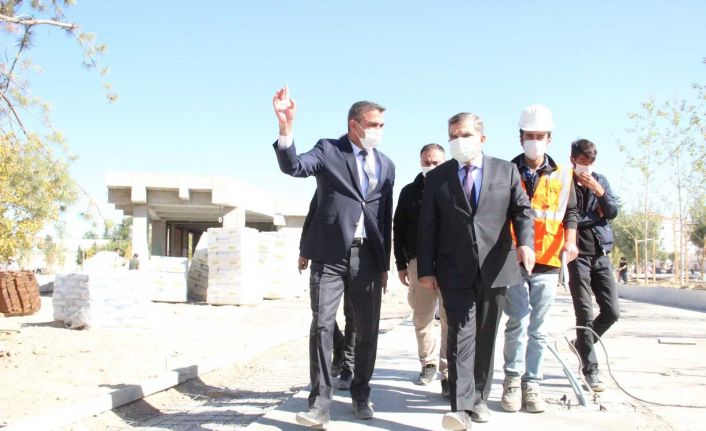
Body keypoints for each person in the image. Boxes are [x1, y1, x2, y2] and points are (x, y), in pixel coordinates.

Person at [272, 86, 395, 427]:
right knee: (323, 325)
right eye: (373, 124)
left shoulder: (386, 164)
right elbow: (294, 167)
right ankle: (319, 405)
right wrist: (285, 127)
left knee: (367, 329)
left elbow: (384, 215)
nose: (378, 131)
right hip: (329, 257)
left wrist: (384, 264)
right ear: (354, 124)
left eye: (382, 125)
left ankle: (361, 393)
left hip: (368, 258)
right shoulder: (329, 150)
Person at [417, 112, 535, 430]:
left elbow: (522, 211)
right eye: (453, 135)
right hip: (453, 270)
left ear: (482, 138)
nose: (459, 140)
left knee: (485, 336)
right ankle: (462, 408)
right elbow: (427, 226)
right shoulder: (438, 177)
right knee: (460, 336)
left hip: (496, 268)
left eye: (465, 134)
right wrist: (426, 269)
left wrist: (526, 243)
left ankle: (480, 397)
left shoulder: (506, 170)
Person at [501, 104, 579, 414]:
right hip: (513, 258)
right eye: (529, 135)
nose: (534, 141)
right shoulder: (506, 171)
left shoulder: (563, 175)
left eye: (540, 136)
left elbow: (571, 212)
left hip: (548, 260)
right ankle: (511, 381)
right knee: (517, 321)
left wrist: (570, 240)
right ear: (520, 137)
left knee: (539, 327)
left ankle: (531, 384)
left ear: (549, 139)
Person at [393, 143, 449, 393]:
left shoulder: (454, 187)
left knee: (449, 319)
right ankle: (428, 363)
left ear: (445, 162)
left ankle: (448, 371)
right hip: (418, 263)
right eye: (427, 162)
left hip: (449, 262)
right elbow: (398, 228)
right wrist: (401, 264)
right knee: (422, 317)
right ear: (420, 162)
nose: (431, 166)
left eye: (436, 162)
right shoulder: (409, 192)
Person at [567, 138, 619, 392]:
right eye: (582, 161)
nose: (586, 166)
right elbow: (569, 217)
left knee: (612, 312)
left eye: (590, 162)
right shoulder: (564, 183)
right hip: (577, 256)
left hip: (600, 253)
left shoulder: (601, 181)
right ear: (573, 160)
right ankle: (591, 370)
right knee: (584, 313)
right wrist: (594, 216)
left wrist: (600, 192)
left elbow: (612, 212)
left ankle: (581, 343)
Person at [298, 194, 355, 385]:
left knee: (353, 314)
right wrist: (304, 250)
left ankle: (348, 365)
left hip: (359, 255)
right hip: (326, 255)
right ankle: (339, 345)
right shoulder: (329, 180)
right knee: (321, 314)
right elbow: (313, 214)